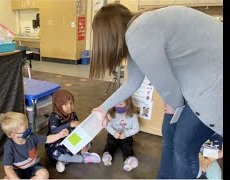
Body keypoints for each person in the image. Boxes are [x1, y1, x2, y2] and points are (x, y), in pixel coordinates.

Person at [90, 3, 222, 179]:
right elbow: (133, 82)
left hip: (213, 84)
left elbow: (170, 89)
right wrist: (103, 108)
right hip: (201, 80)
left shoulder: (138, 33)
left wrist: (174, 106)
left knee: (184, 146)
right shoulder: (138, 30)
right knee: (169, 131)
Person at [0, 112, 69, 179]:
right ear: (13, 135)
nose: (29, 129)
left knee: (44, 174)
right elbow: (8, 168)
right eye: (25, 129)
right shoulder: (9, 146)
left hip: (33, 166)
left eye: (28, 126)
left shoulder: (32, 136)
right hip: (17, 170)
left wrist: (60, 135)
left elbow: (48, 139)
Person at [45, 89, 101, 173]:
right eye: (65, 104)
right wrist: (69, 125)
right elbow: (53, 131)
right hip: (57, 142)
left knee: (89, 142)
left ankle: (65, 160)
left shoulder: (73, 114)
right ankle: (82, 158)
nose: (69, 107)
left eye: (71, 103)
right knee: (55, 153)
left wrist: (84, 144)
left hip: (71, 140)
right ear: (58, 105)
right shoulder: (54, 116)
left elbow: (78, 131)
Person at [102, 97, 139, 171]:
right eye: (116, 104)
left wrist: (126, 134)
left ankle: (128, 160)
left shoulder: (133, 115)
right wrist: (114, 132)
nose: (117, 106)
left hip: (126, 136)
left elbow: (136, 128)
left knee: (127, 147)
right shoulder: (111, 113)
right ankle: (107, 156)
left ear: (128, 104)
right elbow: (107, 125)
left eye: (120, 104)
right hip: (114, 135)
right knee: (110, 144)